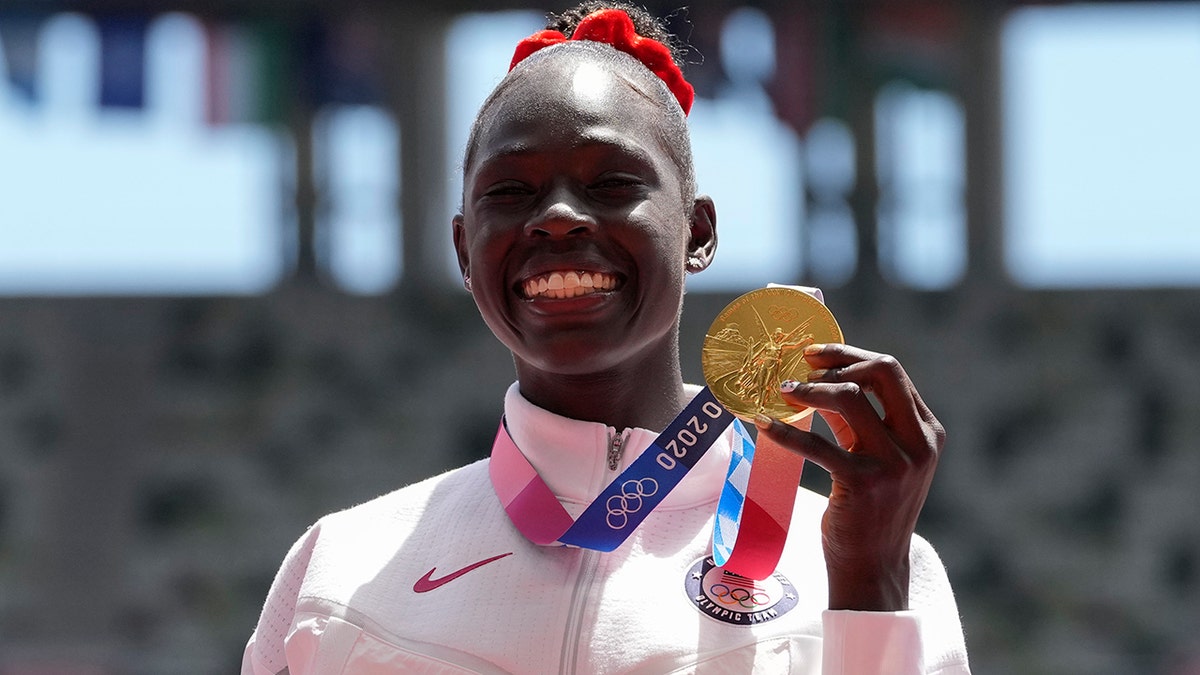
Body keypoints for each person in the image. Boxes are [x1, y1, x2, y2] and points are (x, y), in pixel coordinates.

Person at [241, 3, 970, 673]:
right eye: (510, 191)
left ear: (698, 232)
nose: (557, 217)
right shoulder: (336, 569)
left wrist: (868, 585)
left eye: (613, 184)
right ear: (465, 251)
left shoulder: (869, 564)